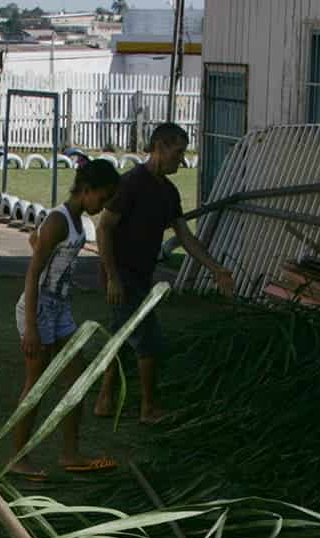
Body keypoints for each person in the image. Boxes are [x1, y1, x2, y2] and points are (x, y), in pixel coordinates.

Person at [93, 123, 235, 425]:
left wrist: (216, 268)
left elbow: (185, 237)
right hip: (121, 276)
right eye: (178, 152)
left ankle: (104, 401)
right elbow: (103, 227)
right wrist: (113, 277)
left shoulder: (168, 193)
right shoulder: (130, 183)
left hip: (142, 276)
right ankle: (148, 409)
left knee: (122, 337)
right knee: (149, 340)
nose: (181, 161)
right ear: (159, 147)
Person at [10, 158, 123, 478]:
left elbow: (41, 248)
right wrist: (31, 327)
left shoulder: (75, 221)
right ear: (87, 190)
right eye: (102, 198)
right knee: (37, 385)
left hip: (60, 309)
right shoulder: (59, 221)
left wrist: (37, 241)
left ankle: (70, 454)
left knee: (77, 378)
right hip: (39, 309)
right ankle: (18, 458)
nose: (102, 207)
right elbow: (32, 275)